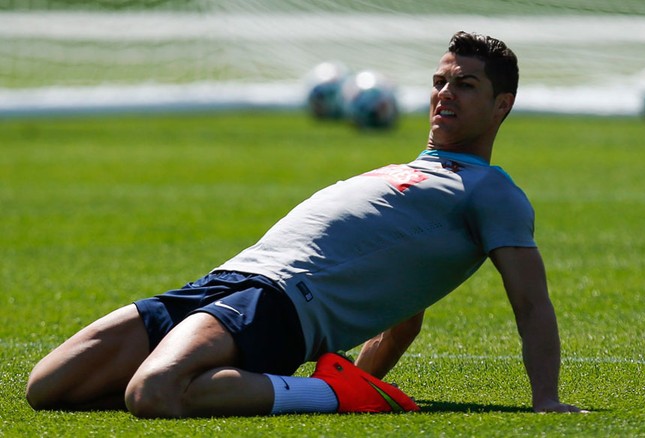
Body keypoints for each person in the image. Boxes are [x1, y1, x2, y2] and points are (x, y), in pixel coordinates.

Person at [25, 30, 584, 417]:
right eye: (440, 81)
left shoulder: (492, 192)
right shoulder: (411, 173)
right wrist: (371, 373)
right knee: (48, 387)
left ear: (501, 106)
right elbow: (402, 309)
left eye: (465, 85)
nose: (443, 95)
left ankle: (329, 396)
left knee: (155, 393)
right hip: (224, 281)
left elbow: (531, 303)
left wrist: (546, 399)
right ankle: (331, 389)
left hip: (281, 301)